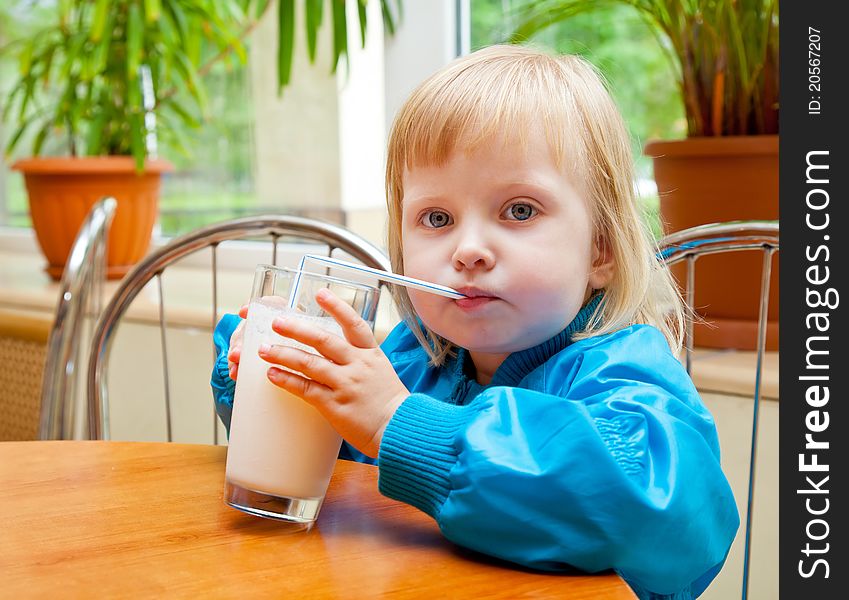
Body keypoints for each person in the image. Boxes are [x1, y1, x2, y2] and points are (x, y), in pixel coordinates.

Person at [211, 45, 739, 599]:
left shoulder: (626, 375)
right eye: (436, 218)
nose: (468, 250)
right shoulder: (408, 360)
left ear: (600, 250)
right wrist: (268, 376)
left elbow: (653, 511)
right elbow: (329, 463)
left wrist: (398, 422)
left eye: (519, 210)